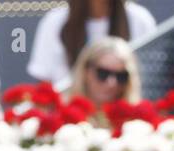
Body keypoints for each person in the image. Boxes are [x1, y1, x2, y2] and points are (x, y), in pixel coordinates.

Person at [28, 0, 157, 88]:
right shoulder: (55, 21)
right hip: (70, 119)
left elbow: (149, 81)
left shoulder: (140, 19)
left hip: (123, 117)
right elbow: (44, 82)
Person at [69, 36, 142, 106]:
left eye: (121, 76)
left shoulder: (137, 116)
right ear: (86, 71)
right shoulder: (63, 113)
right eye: (103, 73)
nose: (112, 83)